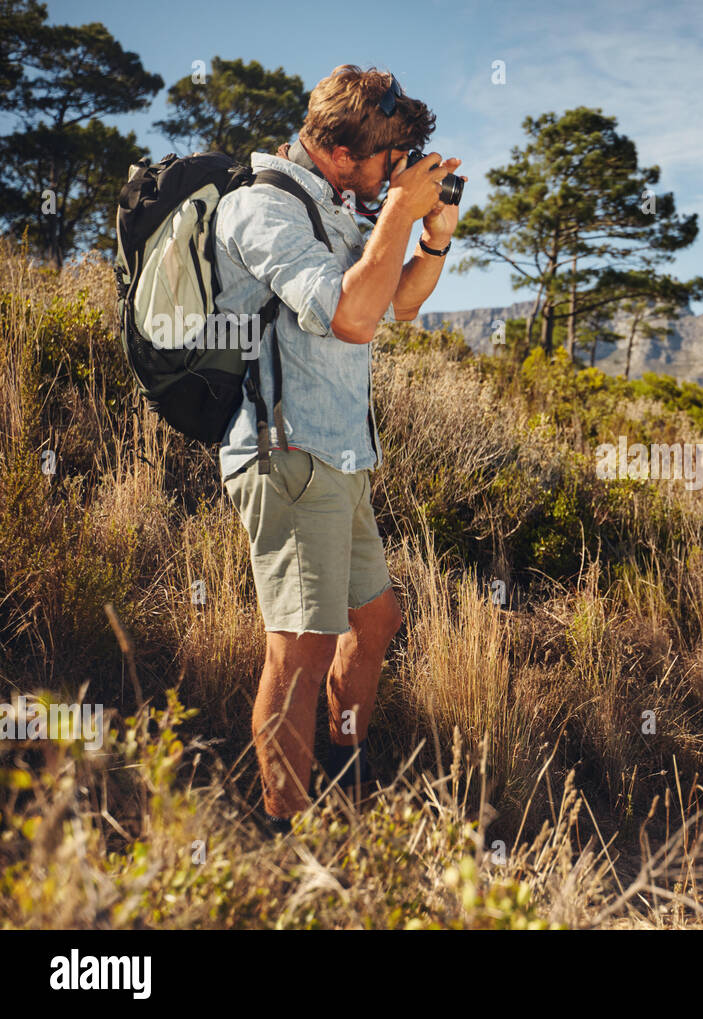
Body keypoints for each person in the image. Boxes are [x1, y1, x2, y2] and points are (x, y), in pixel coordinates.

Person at [212, 65, 464, 837]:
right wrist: (395, 210)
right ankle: (284, 841)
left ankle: (346, 779)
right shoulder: (261, 210)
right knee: (299, 652)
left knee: (377, 620)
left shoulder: (335, 204)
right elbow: (351, 317)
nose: (397, 172)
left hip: (341, 457)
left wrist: (433, 232)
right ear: (343, 151)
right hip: (286, 455)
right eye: (388, 160)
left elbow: (399, 301)